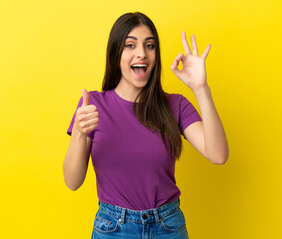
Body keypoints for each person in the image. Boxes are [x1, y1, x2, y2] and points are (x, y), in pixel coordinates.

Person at [63, 12, 229, 239]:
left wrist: (201, 88)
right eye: (130, 45)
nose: (141, 53)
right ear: (116, 53)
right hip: (113, 228)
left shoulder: (175, 105)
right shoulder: (93, 105)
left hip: (168, 226)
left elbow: (218, 155)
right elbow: (72, 182)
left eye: (149, 45)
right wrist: (80, 134)